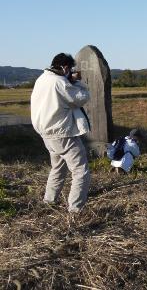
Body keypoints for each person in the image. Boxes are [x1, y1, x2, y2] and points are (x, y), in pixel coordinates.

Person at [31, 53, 91, 213]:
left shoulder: (41, 79)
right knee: (80, 170)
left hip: (46, 133)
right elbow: (82, 97)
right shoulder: (59, 82)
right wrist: (77, 81)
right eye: (70, 69)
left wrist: (69, 79)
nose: (70, 72)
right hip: (62, 133)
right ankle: (75, 209)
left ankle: (49, 201)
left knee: (58, 168)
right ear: (65, 67)